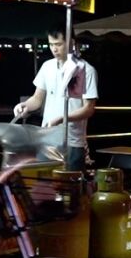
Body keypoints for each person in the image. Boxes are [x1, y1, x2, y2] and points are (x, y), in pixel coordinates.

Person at [13, 29, 98, 172]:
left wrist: (62, 118)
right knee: (45, 187)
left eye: (58, 44)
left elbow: (88, 108)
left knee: (69, 188)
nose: (54, 49)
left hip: (72, 141)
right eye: (51, 44)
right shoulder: (47, 66)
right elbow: (37, 99)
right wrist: (25, 105)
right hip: (47, 139)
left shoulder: (85, 70)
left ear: (71, 43)